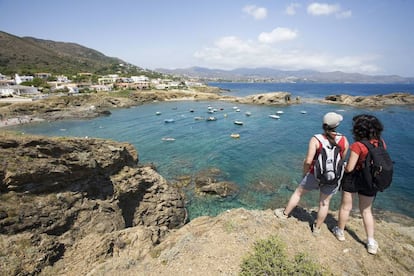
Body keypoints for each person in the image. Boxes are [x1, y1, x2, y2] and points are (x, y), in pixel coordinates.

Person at [274, 112, 349, 236]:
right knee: (324, 203)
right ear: (336, 125)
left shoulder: (316, 139)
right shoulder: (344, 139)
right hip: (332, 177)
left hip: (315, 174)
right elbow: (342, 159)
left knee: (298, 193)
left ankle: (285, 214)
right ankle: (317, 228)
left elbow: (308, 161)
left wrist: (305, 173)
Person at [332, 114, 385, 255]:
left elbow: (350, 168)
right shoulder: (381, 143)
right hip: (370, 181)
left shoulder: (357, 145)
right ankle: (371, 242)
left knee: (346, 207)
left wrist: (342, 166)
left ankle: (340, 232)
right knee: (366, 211)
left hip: (354, 179)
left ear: (359, 130)